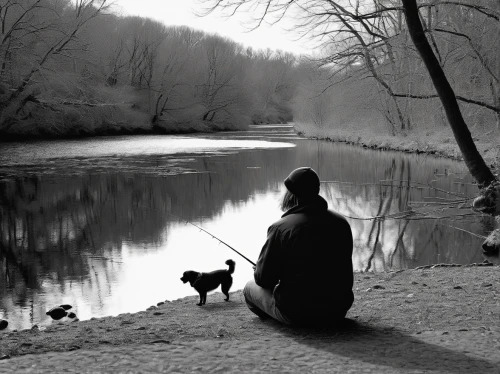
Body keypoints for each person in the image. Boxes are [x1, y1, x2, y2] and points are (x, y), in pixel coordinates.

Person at [243, 167, 354, 326]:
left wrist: (259, 270)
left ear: (291, 195)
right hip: (337, 310)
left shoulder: (280, 228)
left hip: (298, 313)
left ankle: (281, 322)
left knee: (249, 288)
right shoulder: (341, 223)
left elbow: (263, 279)